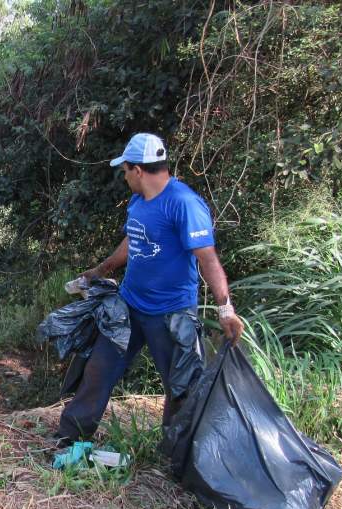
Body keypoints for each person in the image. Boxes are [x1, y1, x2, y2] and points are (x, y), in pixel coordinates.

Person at [54, 133, 244, 446]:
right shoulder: (138, 201)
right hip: (129, 306)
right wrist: (101, 270)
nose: (124, 176)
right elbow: (133, 240)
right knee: (98, 370)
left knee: (179, 387)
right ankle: (69, 437)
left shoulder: (184, 204)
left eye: (126, 170)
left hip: (171, 314)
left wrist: (225, 309)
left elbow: (207, 259)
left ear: (138, 170)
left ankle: (176, 454)